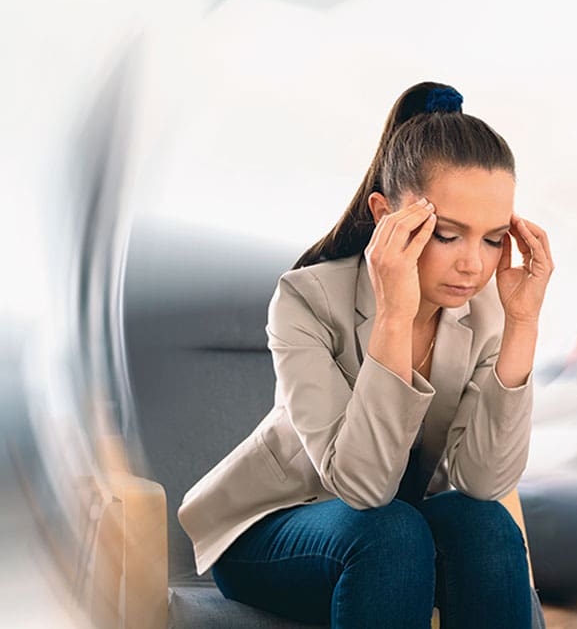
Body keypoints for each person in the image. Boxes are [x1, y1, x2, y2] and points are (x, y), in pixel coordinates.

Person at [177, 81, 554, 628]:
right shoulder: (305, 299)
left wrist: (523, 323)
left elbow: (482, 482)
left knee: (488, 526)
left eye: (493, 239)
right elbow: (363, 487)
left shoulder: (491, 309)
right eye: (447, 235)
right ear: (385, 216)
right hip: (273, 529)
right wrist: (396, 317)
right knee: (391, 533)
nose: (474, 265)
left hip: (397, 528)